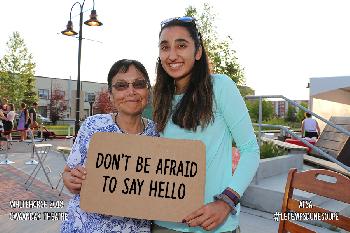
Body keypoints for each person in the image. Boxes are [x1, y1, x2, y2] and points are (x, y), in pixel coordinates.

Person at [152, 17, 260, 233]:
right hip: (164, 224)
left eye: (181, 45)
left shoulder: (220, 87)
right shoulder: (160, 97)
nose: (172, 55)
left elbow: (250, 151)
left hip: (212, 225)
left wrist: (226, 201)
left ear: (198, 52)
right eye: (165, 47)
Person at [60, 59, 159, 233]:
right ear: (111, 95)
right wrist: (70, 180)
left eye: (139, 84)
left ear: (148, 91)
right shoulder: (93, 125)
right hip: (85, 226)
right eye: (121, 86)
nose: (131, 91)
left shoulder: (156, 133)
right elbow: (68, 171)